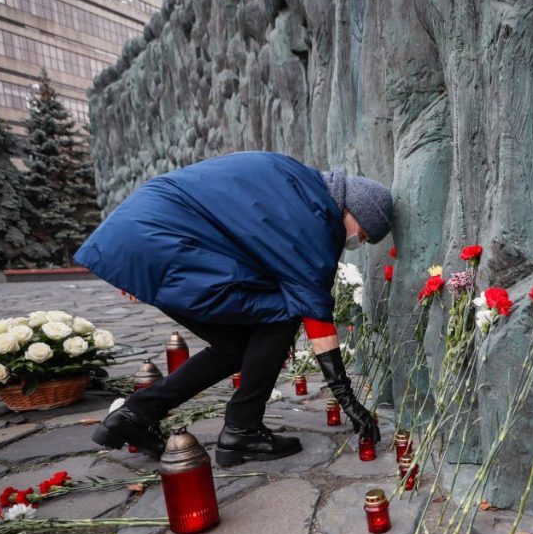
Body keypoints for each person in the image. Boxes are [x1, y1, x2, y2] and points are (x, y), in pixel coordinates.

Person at [74, 152, 390, 466]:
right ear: (353, 210)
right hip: (160, 240)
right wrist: (350, 403)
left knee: (235, 345)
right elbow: (314, 312)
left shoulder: (298, 185)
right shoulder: (313, 217)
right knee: (282, 315)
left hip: (143, 236)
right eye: (362, 234)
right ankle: (243, 430)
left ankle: (135, 415)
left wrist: (135, 260)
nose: (356, 242)